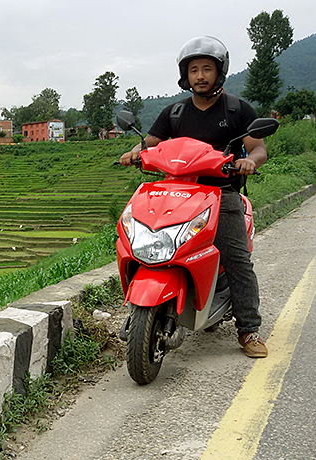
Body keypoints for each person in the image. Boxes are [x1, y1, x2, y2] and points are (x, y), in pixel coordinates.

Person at [119, 36, 268, 358]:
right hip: (176, 193)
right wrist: (134, 152)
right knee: (144, 240)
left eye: (207, 69)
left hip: (221, 194)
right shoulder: (174, 112)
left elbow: (258, 148)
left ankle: (249, 329)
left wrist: (249, 161)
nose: (200, 76)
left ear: (219, 72)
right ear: (185, 76)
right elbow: (150, 142)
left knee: (237, 259)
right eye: (194, 70)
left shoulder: (237, 110)